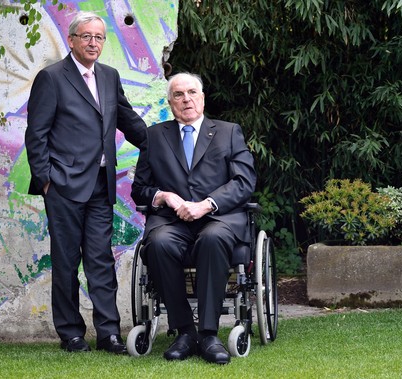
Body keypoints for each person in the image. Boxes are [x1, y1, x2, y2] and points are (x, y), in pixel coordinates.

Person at [25, 11, 147, 354]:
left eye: (99, 37)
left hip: (101, 186)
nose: (94, 42)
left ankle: (108, 333)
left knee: (100, 260)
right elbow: (36, 135)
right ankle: (71, 334)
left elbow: (127, 118)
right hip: (63, 186)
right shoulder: (51, 78)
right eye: (87, 36)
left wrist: (160, 145)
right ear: (72, 40)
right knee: (65, 261)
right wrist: (47, 181)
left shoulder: (109, 76)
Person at [131, 72, 256, 364]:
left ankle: (209, 334)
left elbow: (244, 181)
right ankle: (185, 332)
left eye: (191, 93)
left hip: (218, 218)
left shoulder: (228, 132)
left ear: (202, 97)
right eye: (178, 94)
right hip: (171, 220)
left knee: (213, 238)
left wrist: (207, 204)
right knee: (158, 243)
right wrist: (163, 196)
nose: (186, 99)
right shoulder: (154, 135)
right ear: (170, 102)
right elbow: (140, 190)